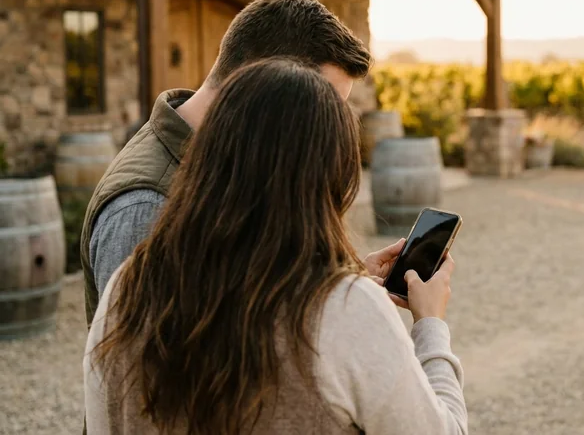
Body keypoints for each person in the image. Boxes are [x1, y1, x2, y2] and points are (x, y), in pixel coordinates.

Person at [84, 58, 467, 434]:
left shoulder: (126, 287)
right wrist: (430, 324)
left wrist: (347, 284)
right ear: (326, 179)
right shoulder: (347, 311)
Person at [80, 0, 386, 328]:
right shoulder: (144, 207)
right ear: (262, 82)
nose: (327, 125)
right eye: (321, 104)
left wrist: (347, 286)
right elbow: (142, 372)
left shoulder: (236, 156)